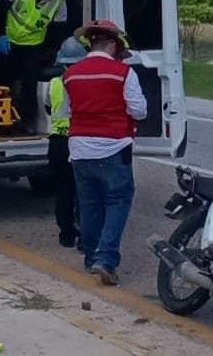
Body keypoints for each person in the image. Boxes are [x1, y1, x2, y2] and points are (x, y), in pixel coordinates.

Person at [62, 19, 145, 286]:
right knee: (118, 201)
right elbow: (139, 110)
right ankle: (105, 260)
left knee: (89, 205)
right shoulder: (123, 73)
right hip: (113, 147)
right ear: (112, 45)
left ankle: (90, 259)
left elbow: (66, 112)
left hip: (80, 149)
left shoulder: (70, 74)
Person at [0, 0, 68, 131]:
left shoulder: (59, 2)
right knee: (2, 82)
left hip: (32, 47)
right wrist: (0, 33)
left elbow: (59, 30)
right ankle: (1, 122)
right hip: (9, 42)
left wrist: (56, 52)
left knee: (29, 86)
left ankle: (26, 124)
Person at [43, 36, 87, 249]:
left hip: (58, 142)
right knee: (84, 192)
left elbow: (48, 108)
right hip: (79, 141)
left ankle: (66, 234)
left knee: (63, 190)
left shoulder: (53, 84)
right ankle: (85, 236)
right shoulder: (86, 83)